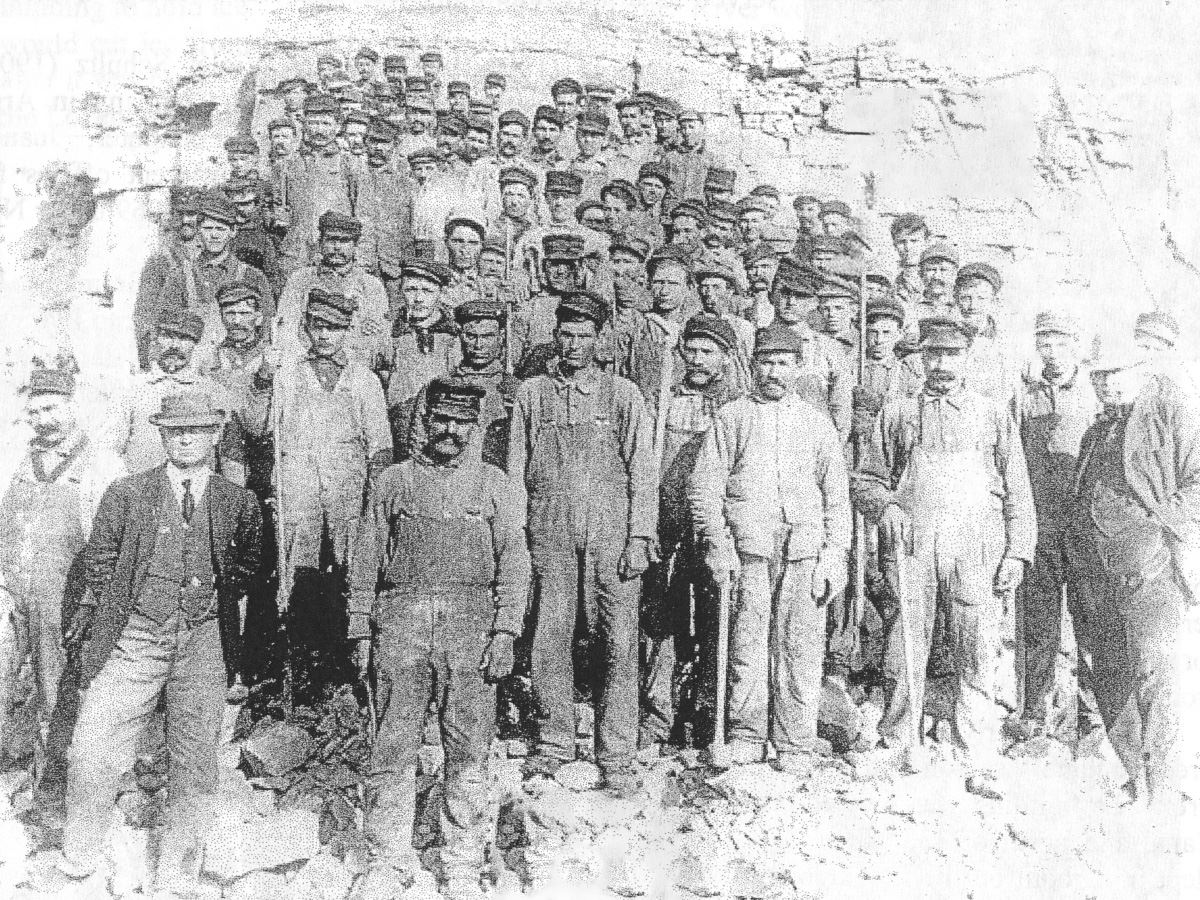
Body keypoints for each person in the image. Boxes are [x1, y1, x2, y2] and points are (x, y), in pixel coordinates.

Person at [57, 393, 261, 892]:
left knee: (193, 758)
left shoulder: (239, 502)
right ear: (162, 435)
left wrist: (232, 646)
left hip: (204, 642)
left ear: (215, 436)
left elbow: (252, 575)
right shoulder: (128, 494)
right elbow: (99, 565)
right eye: (175, 431)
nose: (186, 439)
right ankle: (79, 856)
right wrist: (107, 624)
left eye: (196, 430)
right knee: (93, 745)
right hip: (136, 636)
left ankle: (177, 874)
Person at [351, 379, 530, 898]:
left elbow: (514, 562)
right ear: (424, 423)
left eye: (461, 422)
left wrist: (505, 630)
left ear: (475, 427)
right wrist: (361, 626)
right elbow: (366, 558)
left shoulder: (496, 485)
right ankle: (385, 859)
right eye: (440, 420)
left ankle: (462, 863)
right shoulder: (393, 481)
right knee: (392, 744)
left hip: (470, 624)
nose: (450, 431)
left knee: (469, 747)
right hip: (401, 621)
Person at [853, 317, 1035, 798]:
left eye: (951, 355)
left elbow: (1018, 488)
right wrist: (887, 505)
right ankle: (897, 740)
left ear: (966, 359)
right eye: (933, 355)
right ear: (921, 359)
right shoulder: (897, 413)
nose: (941, 365)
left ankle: (978, 752)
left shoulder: (992, 415)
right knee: (905, 644)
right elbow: (867, 480)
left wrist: (1017, 552)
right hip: (915, 545)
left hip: (976, 546)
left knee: (976, 647)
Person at [508, 292, 656, 794]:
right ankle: (554, 743)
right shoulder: (532, 393)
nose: (573, 344)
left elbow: (643, 469)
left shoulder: (623, 395)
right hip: (548, 531)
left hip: (610, 536)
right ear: (555, 335)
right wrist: (515, 536)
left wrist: (640, 536)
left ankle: (617, 752)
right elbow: (514, 471)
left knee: (617, 641)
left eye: (584, 335)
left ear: (600, 340)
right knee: (549, 637)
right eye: (566, 334)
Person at [688, 323, 852, 774]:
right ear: (753, 364)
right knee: (748, 642)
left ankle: (796, 740)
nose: (774, 371)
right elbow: (705, 489)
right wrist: (717, 546)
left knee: (800, 645)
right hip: (749, 550)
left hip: (804, 550)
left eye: (783, 363)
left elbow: (837, 497)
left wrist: (834, 556)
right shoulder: (732, 417)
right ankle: (746, 732)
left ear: (797, 367)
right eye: (766, 362)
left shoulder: (817, 425)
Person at [244, 289, 392, 704]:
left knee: (348, 578)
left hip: (348, 493)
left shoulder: (363, 379)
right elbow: (257, 427)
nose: (325, 335)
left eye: (334, 327)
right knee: (296, 580)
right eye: (318, 326)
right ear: (306, 328)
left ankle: (348, 672)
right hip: (299, 490)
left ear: (347, 331)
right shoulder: (287, 374)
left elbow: (380, 446)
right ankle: (301, 678)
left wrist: (372, 499)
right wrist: (261, 380)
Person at [1068, 346, 1199, 808]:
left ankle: (1162, 788)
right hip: (1094, 574)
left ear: (1141, 371)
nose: (1107, 383)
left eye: (1116, 373)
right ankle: (1135, 775)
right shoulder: (1094, 432)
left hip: (1151, 572)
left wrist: (1163, 524)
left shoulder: (1170, 417)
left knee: (1155, 673)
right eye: (1098, 376)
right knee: (1106, 670)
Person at [0, 370, 124, 799]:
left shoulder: (101, 463)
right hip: (13, 594)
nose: (41, 420)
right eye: (33, 411)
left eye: (50, 408)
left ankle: (56, 791)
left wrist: (91, 605)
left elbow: (110, 545)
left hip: (62, 603)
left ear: (73, 406)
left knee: (60, 695)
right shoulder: (18, 459)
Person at [640, 314, 743, 750]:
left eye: (709, 352)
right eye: (692, 350)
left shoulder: (735, 405)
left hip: (715, 525)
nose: (698, 360)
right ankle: (658, 715)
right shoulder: (664, 398)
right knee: (664, 620)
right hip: (668, 520)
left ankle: (707, 712)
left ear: (724, 357)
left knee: (717, 619)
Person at [1012, 311, 1101, 743]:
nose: (1052, 351)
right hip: (1039, 527)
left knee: (1088, 624)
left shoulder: (1094, 394)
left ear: (1077, 345)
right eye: (1044, 342)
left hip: (1084, 531)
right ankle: (1033, 715)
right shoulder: (1024, 395)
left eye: (1060, 342)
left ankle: (1090, 721)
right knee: (1037, 626)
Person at [107, 310, 238, 477]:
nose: (175, 345)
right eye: (168, 336)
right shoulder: (131, 389)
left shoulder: (214, 392)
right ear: (155, 339)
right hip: (143, 491)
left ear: (195, 344)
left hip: (197, 495)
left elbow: (229, 455)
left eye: (184, 338)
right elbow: (110, 451)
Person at [154, 191, 273, 364]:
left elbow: (268, 331)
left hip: (239, 366)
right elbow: (162, 329)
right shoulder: (180, 276)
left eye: (221, 229)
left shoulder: (253, 277)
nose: (214, 235)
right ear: (197, 230)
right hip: (191, 366)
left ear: (233, 231)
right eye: (208, 228)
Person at [406, 300, 517, 468]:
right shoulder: (437, 387)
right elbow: (418, 445)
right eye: (471, 336)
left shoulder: (516, 390)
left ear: (501, 337)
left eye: (487, 336)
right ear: (460, 336)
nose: (479, 345)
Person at [275, 210, 390, 370]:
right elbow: (286, 329)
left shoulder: (370, 286)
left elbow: (379, 338)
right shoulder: (300, 280)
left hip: (355, 368)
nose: (336, 247)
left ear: (355, 245)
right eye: (331, 240)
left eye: (344, 241)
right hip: (307, 366)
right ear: (320, 242)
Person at [768, 257, 853, 440]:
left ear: (814, 302)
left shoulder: (829, 348)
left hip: (812, 443)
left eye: (799, 296)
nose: (790, 302)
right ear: (774, 295)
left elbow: (840, 407)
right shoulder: (755, 342)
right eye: (784, 293)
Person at [276, 93, 358, 275]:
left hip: (336, 256)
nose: (319, 130)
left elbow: (361, 213)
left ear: (338, 127)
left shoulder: (349, 164)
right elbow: (277, 209)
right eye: (313, 123)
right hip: (296, 255)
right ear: (304, 124)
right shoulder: (288, 164)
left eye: (326, 123)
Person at [386, 257, 458, 443]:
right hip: (399, 428)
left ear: (440, 293)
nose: (418, 298)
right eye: (411, 290)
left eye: (427, 291)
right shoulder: (388, 333)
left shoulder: (455, 338)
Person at [356, 118, 415, 317]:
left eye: (384, 142)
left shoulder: (406, 178)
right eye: (373, 141)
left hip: (395, 263)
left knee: (397, 316)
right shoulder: (355, 174)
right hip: (363, 259)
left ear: (394, 144)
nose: (378, 147)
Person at [662, 110, 721, 200]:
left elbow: (718, 192)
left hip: (699, 209)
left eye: (691, 127)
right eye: (683, 128)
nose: (687, 132)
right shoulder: (669, 157)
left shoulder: (711, 158)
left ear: (702, 129)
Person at [890, 213, 928, 308]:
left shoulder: (935, 280)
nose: (908, 247)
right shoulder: (892, 286)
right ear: (895, 245)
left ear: (926, 242)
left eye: (914, 241)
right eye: (902, 242)